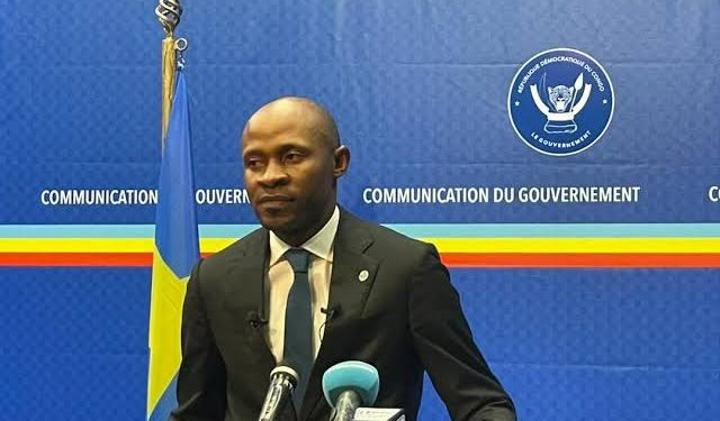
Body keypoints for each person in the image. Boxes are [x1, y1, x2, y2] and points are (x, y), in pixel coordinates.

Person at [171, 97, 516, 421]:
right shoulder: (213, 279)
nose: (270, 176)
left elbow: (482, 404)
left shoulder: (405, 268)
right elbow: (195, 412)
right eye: (254, 163)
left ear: (338, 162)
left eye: (291, 156)